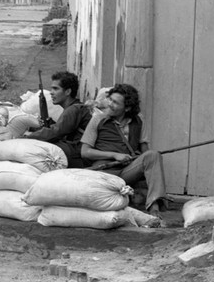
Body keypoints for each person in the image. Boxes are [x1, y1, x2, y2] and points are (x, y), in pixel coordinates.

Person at [80, 83, 168, 217]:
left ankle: (154, 208)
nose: (110, 104)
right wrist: (114, 155)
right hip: (105, 172)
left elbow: (145, 150)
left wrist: (149, 167)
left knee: (153, 155)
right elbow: (85, 152)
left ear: (127, 108)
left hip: (128, 171)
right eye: (110, 100)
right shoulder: (98, 119)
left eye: (115, 102)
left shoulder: (139, 120)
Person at [25, 71, 92, 168]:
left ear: (68, 92)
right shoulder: (74, 108)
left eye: (56, 89)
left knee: (44, 147)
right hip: (79, 152)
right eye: (51, 89)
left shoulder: (73, 109)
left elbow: (55, 132)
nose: (51, 93)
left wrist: (27, 138)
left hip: (81, 157)